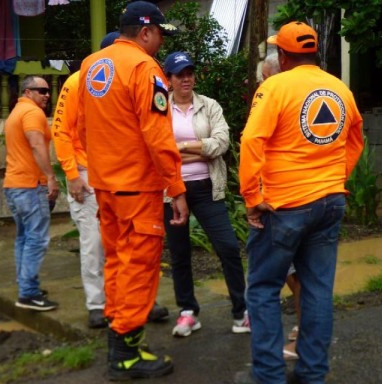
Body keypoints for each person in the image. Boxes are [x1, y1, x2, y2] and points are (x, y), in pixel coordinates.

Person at [238, 21, 364, 383]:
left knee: (262, 289)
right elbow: (356, 136)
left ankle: (269, 375)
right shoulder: (339, 88)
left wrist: (251, 197)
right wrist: (338, 176)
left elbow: (251, 141)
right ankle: (312, 373)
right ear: (313, 53)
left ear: (284, 55)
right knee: (317, 290)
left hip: (284, 206)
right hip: (329, 202)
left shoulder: (275, 87)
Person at [77, 1, 188, 380]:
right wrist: (176, 188)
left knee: (116, 263)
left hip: (105, 186)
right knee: (138, 268)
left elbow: (82, 128)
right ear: (145, 32)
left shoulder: (92, 65)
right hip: (137, 188)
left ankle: (119, 336)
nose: (159, 42)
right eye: (159, 33)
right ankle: (124, 355)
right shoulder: (143, 67)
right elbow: (158, 135)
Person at [52, 31, 169, 329]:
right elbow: (64, 130)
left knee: (129, 249)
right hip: (91, 174)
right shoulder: (79, 80)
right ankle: (98, 303)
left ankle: (136, 304)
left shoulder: (126, 75)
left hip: (118, 174)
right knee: (97, 244)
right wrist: (72, 174)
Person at [161, 51, 250, 337]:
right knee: (179, 252)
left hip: (207, 188)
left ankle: (241, 312)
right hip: (171, 191)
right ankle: (188, 312)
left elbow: (222, 143)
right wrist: (198, 148)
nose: (186, 79)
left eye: (189, 73)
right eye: (179, 74)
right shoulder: (160, 109)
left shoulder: (210, 106)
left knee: (227, 248)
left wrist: (181, 148)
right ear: (169, 79)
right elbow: (157, 152)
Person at [3, 75, 59, 312]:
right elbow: (36, 145)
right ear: (27, 91)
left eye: (48, 91)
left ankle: (26, 284)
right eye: (41, 91)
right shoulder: (32, 113)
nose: (47, 95)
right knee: (36, 239)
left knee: (24, 238)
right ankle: (27, 293)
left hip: (14, 185)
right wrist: (50, 177)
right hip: (29, 185)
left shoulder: (17, 111)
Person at [261, 51, 301, 360]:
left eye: (266, 77)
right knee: (295, 271)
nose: (263, 83)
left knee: (294, 272)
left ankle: (302, 335)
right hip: (286, 198)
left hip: (287, 200)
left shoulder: (283, 101)